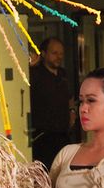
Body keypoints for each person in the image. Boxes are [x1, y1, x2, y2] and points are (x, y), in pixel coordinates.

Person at [30, 37, 75, 170]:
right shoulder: (35, 74)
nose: (58, 57)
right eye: (54, 53)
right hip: (43, 135)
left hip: (63, 133)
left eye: (61, 53)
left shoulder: (63, 74)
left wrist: (72, 111)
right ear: (43, 54)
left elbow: (69, 96)